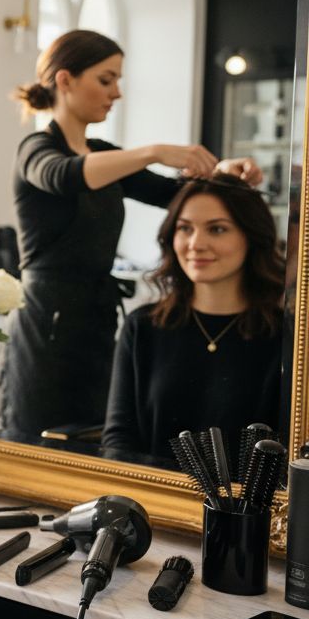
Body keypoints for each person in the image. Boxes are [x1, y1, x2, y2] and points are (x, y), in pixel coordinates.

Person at [0, 29, 262, 442]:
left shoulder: (104, 152)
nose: (116, 93)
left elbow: (174, 194)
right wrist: (154, 151)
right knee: (38, 439)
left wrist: (222, 172)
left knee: (94, 436)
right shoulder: (36, 148)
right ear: (65, 80)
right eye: (106, 80)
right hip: (45, 326)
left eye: (117, 81)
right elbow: (64, 176)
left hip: (99, 320)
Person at [102, 175, 284, 460]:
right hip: (151, 488)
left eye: (217, 229)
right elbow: (119, 438)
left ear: (252, 237)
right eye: (185, 228)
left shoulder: (285, 336)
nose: (196, 244)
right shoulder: (141, 327)